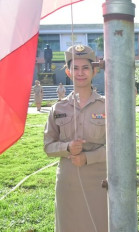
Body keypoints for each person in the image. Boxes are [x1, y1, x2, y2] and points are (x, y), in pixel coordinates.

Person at [44, 44, 107, 232]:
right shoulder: (59, 108)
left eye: (85, 67)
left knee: (101, 224)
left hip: (100, 181)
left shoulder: (107, 106)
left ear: (95, 70)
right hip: (68, 182)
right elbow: (48, 146)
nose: (80, 73)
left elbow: (120, 147)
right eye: (75, 68)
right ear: (68, 72)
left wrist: (88, 157)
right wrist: (67, 148)